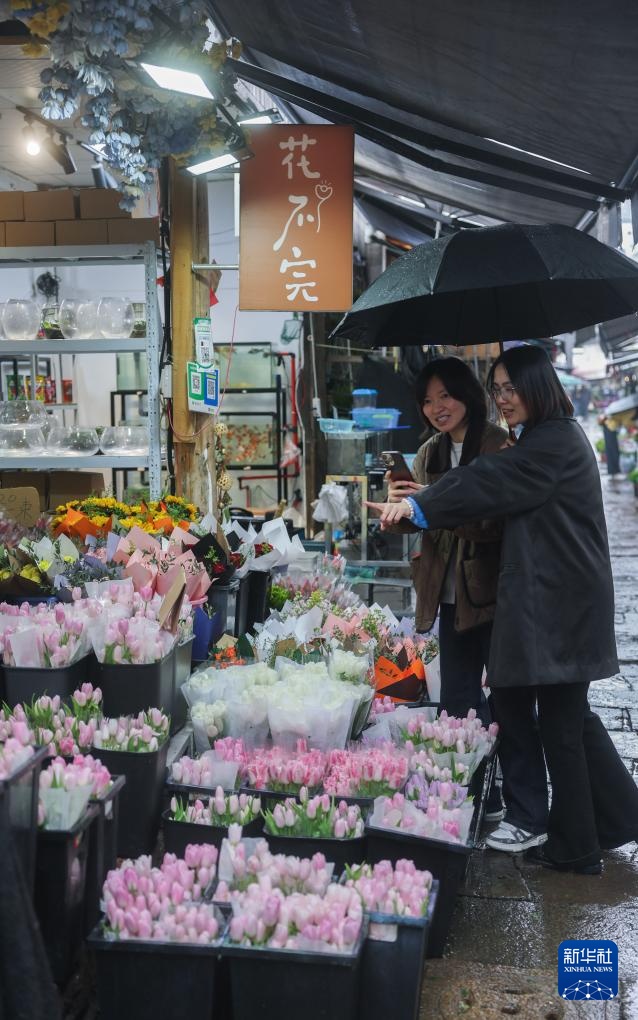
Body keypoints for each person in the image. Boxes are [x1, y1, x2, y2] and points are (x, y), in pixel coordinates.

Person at [366, 344, 638, 874]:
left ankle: (577, 848)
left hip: (562, 604)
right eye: (498, 389)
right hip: (562, 600)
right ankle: (615, 819)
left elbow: (489, 480)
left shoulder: (549, 443)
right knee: (571, 723)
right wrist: (426, 499)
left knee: (562, 729)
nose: (503, 398)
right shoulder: (544, 439)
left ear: (538, 386)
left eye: (510, 388)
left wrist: (421, 505)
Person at [385, 357, 507, 820]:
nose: (438, 407)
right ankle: (472, 794)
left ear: (466, 396)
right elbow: (417, 527)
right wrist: (399, 509)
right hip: (446, 594)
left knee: (503, 699)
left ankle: (505, 789)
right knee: (457, 701)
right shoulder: (430, 451)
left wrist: (433, 507)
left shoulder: (497, 446)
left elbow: (497, 523)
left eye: (446, 396)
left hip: (492, 593)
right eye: (428, 400)